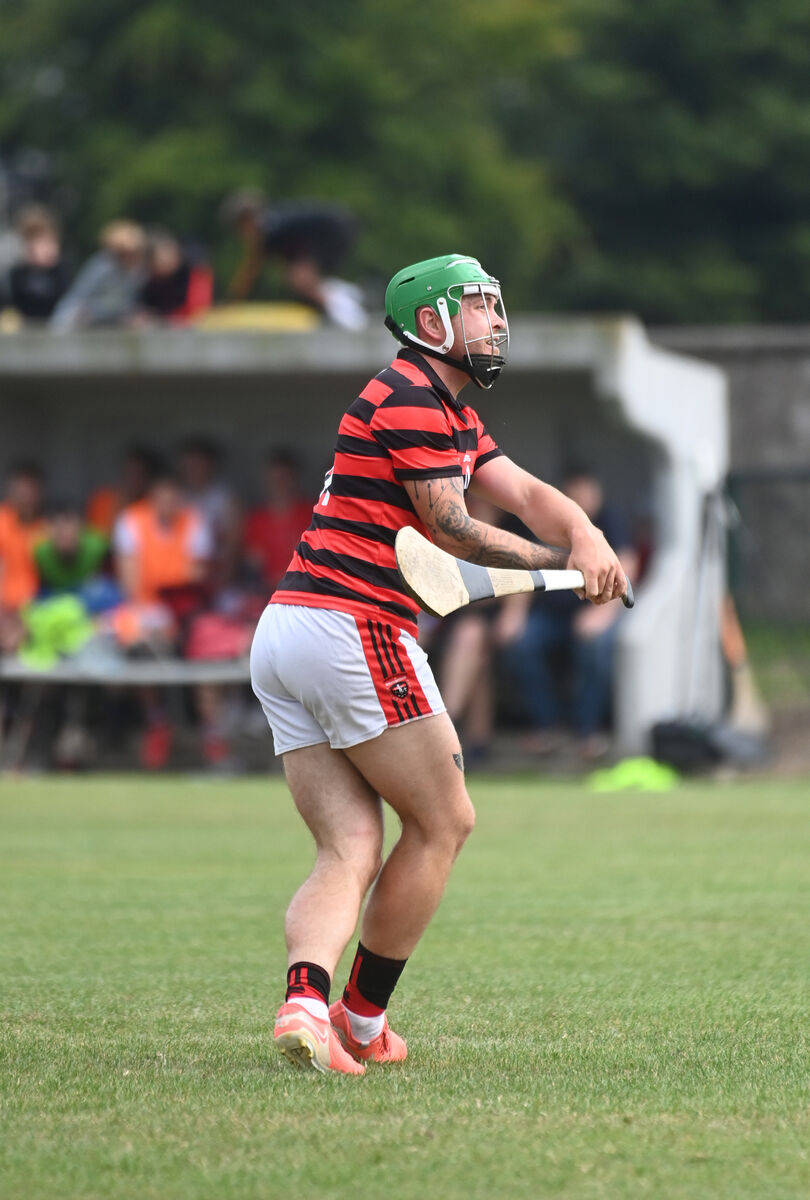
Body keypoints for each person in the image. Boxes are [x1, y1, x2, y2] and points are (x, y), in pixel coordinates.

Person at [249, 253, 630, 1076]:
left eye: (498, 304)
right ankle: (360, 1019)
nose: (497, 320)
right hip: (354, 628)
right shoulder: (410, 396)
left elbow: (526, 491)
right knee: (445, 821)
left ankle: (305, 1004)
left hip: (289, 630)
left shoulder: (448, 410)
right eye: (480, 306)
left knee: (350, 845)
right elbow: (451, 526)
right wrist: (560, 568)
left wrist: (586, 535)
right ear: (432, 323)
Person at [499, 467, 639, 760]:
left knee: (596, 646)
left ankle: (587, 731)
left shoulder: (607, 521)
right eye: (574, 495)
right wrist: (514, 614)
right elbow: (527, 564)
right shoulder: (550, 522)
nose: (582, 500)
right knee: (520, 645)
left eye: (587, 493)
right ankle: (547, 725)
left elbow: (627, 565)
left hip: (597, 609)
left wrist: (601, 615)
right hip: (551, 614)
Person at [221, 189, 367, 330]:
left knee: (299, 279)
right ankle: (349, 296)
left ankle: (348, 315)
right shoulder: (273, 223)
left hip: (333, 231)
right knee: (299, 278)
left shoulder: (266, 230)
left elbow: (250, 271)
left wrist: (232, 303)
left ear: (246, 221)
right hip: (336, 227)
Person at [50, 219, 146, 331]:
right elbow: (79, 298)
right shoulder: (101, 267)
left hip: (112, 325)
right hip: (83, 323)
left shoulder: (137, 273)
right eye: (125, 253)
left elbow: (128, 305)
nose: (131, 257)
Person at [242, 449, 314, 593]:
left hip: (303, 589)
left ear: (294, 479)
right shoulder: (257, 518)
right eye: (274, 478)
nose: (279, 484)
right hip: (264, 591)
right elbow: (254, 562)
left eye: (284, 478)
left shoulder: (311, 514)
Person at [7, 205, 69, 322]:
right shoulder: (18, 272)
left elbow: (66, 299)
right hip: (28, 325)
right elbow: (13, 302)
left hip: (55, 323)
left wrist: (53, 265)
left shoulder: (59, 268)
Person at [139, 230, 213, 324]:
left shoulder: (197, 273)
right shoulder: (149, 281)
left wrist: (159, 319)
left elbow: (198, 313)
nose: (165, 260)